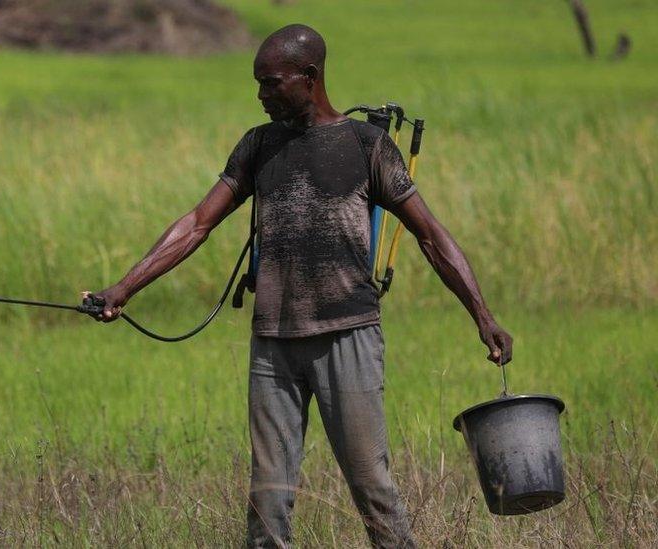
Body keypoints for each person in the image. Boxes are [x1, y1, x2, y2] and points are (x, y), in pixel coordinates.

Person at [84, 23, 512, 548]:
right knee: (267, 499)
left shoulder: (366, 146)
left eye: (271, 83)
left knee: (371, 489)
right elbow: (197, 223)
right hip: (273, 347)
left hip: (347, 337)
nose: (260, 95)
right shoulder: (258, 145)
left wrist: (483, 317)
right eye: (258, 84)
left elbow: (430, 237)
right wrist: (124, 288)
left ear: (310, 78)